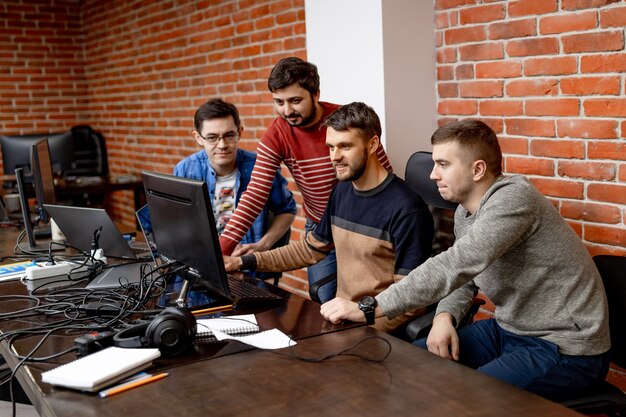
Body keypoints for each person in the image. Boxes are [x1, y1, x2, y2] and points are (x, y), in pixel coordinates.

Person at [320, 119, 610, 400]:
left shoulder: (514, 200)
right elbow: (467, 276)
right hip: (510, 329)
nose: (433, 175)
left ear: (478, 169)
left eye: (443, 164)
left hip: (563, 347)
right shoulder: (466, 211)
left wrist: (369, 307)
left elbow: (456, 263)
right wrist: (445, 316)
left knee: (465, 399)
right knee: (407, 367)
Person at [224, 102, 434, 333]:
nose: (334, 157)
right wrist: (242, 261)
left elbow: (410, 301)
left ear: (373, 144)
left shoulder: (406, 209)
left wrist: (357, 327)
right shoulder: (341, 191)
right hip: (341, 320)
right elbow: (310, 250)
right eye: (330, 147)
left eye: (344, 146)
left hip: (374, 328)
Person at [217, 57, 393, 303]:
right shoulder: (277, 134)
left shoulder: (345, 123)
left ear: (316, 94)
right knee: (324, 299)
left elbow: (382, 172)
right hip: (318, 229)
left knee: (366, 302)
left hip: (362, 227)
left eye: (295, 101)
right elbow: (256, 194)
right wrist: (220, 253)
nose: (287, 111)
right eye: (279, 102)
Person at [173, 98, 297, 280]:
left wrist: (263, 245)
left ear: (240, 132)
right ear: (198, 138)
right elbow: (177, 223)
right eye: (212, 137)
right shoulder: (185, 170)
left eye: (229, 135)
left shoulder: (261, 167)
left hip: (248, 269)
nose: (222, 145)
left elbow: (286, 211)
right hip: (201, 266)